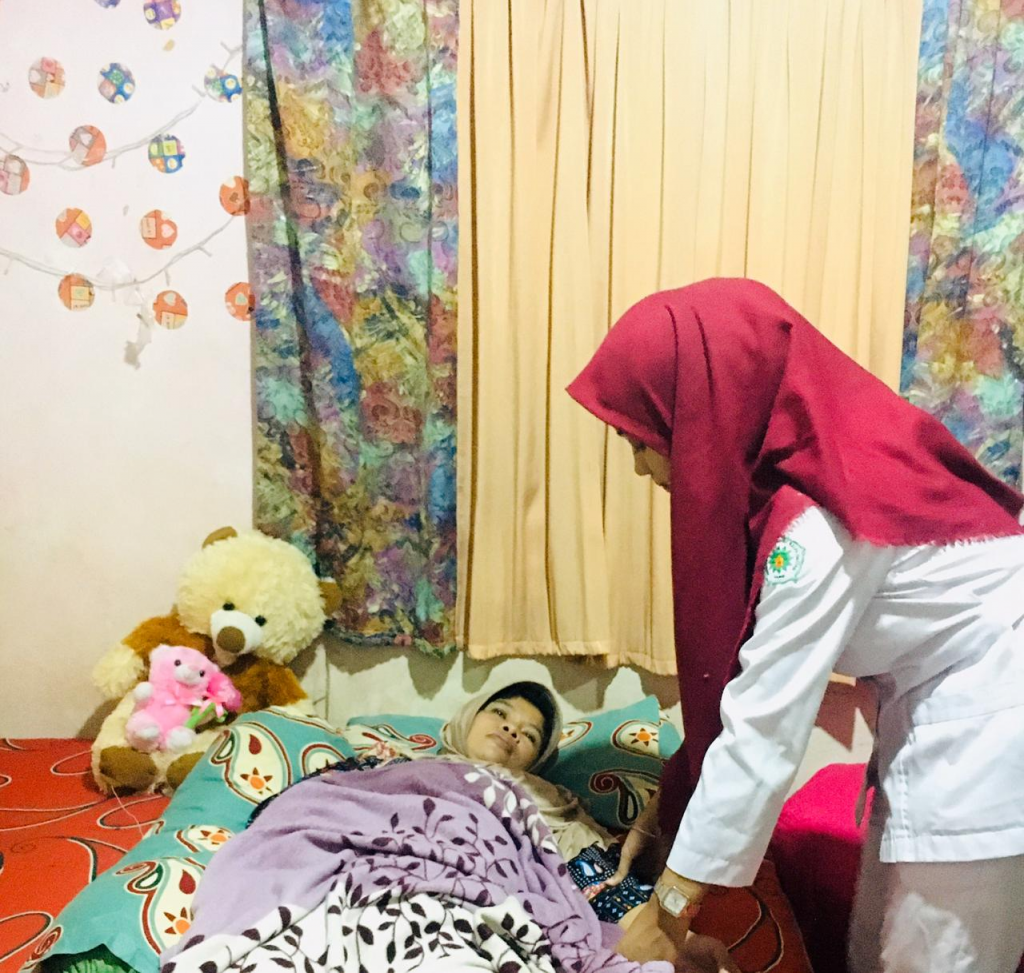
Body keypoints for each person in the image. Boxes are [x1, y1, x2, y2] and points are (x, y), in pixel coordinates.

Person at [567, 278, 1024, 973]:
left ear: (706, 411)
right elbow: (743, 690)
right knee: (874, 940)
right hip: (945, 702)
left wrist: (665, 916)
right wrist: (675, 806)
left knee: (933, 954)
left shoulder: (816, 524)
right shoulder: (816, 470)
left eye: (644, 437)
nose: (639, 465)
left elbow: (762, 730)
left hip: (991, 725)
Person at [163, 681, 738, 973]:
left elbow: (594, 881)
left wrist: (673, 939)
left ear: (539, 759)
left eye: (530, 735)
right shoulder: (384, 767)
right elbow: (304, 814)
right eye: (501, 714)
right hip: (363, 876)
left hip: (478, 892)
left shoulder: (549, 803)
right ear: (467, 719)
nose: (512, 730)